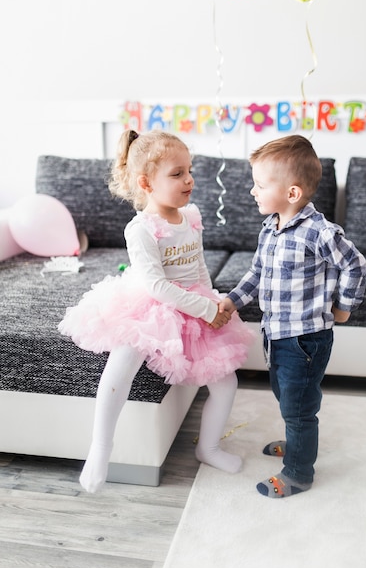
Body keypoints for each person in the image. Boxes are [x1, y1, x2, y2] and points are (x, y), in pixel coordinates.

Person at [59, 129, 254, 493]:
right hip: (152, 303)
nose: (190, 179)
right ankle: (101, 448)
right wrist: (204, 308)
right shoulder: (141, 229)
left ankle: (208, 447)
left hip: (193, 302)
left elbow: (197, 269)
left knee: (226, 383)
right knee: (124, 360)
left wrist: (211, 303)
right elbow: (156, 286)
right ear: (147, 183)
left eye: (189, 170)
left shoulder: (191, 216)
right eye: (177, 173)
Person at [219, 134, 366, 499]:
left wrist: (344, 307)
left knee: (300, 407)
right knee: (285, 394)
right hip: (278, 333)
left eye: (260, 184)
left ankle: (299, 472)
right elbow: (256, 274)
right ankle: (296, 441)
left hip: (305, 338)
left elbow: (355, 265)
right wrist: (233, 302)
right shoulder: (270, 227)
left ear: (293, 193)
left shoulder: (319, 232)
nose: (253, 191)